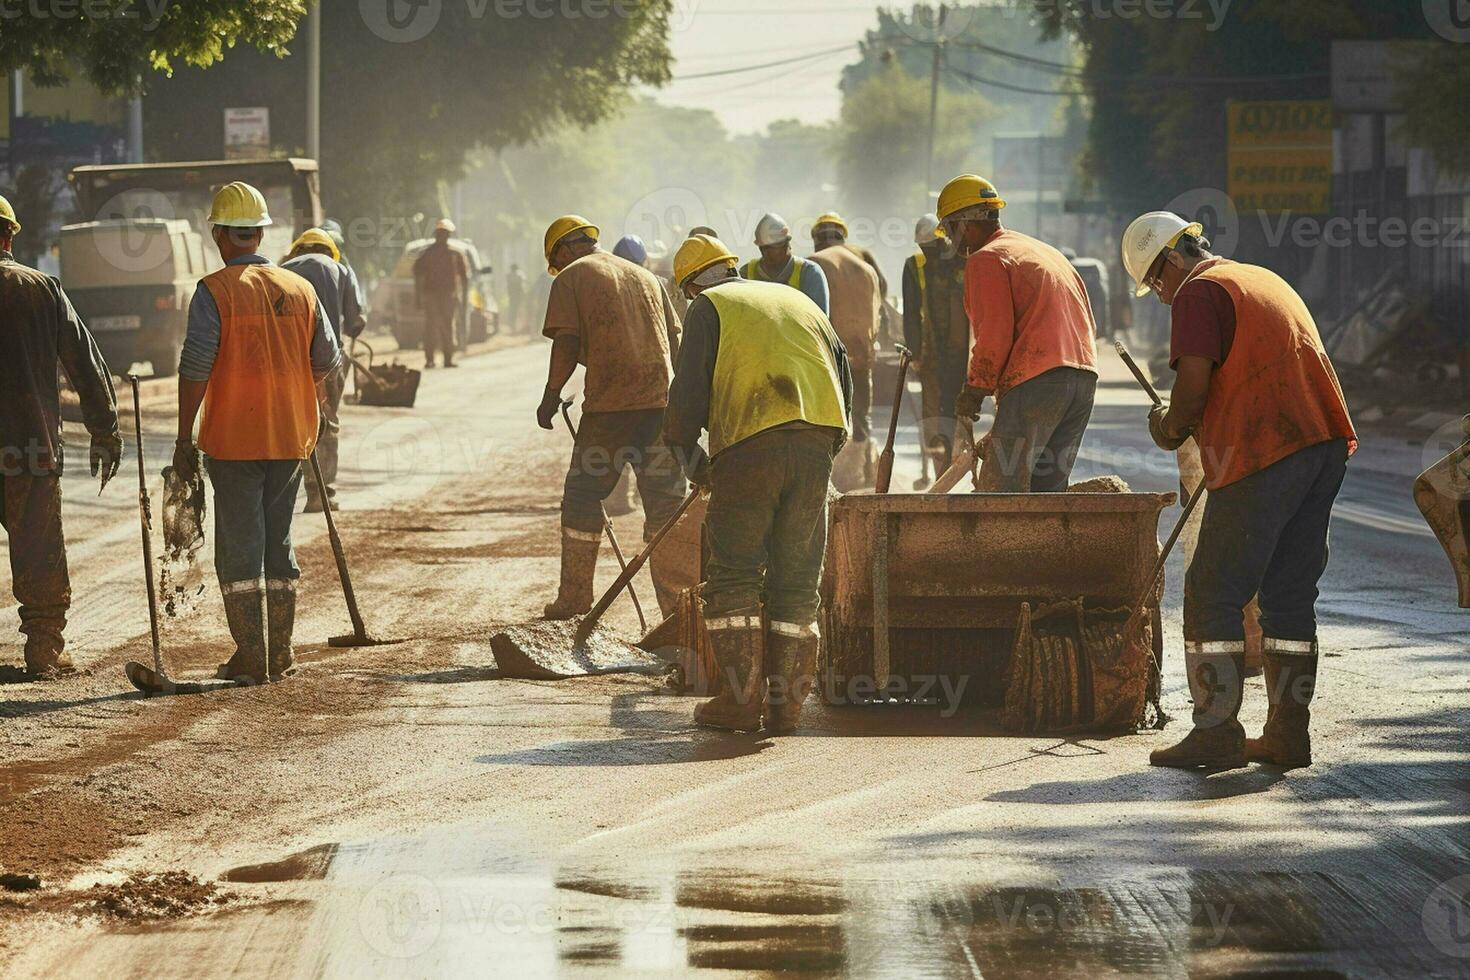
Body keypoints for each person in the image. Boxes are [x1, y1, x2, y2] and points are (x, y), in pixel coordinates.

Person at [1122, 211, 1357, 771]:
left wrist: (1168, 426)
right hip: (1321, 445)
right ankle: (1286, 736)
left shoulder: (1199, 293)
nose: (1159, 297)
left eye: (1157, 281)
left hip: (1267, 448)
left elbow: (1194, 386)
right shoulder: (1259, 277)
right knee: (1289, 596)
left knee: (1211, 589)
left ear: (1175, 259)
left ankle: (1217, 732)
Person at [663, 235, 852, 733]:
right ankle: (786, 708)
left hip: (750, 442)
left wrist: (691, 456)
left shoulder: (708, 307)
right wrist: (822, 451)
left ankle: (740, 701)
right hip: (817, 441)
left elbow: (686, 397)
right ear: (731, 267)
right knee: (796, 577)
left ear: (691, 285)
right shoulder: (799, 300)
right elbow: (843, 380)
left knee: (734, 575)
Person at [174, 182, 341, 684]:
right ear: (261, 233)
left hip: (233, 439)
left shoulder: (214, 291)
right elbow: (326, 360)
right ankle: (279, 651)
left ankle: (253, 654)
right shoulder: (300, 288)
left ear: (220, 234)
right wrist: (304, 404)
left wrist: (185, 435)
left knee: (241, 544)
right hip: (290, 437)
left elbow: (196, 366)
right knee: (279, 539)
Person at [538, 215, 688, 618]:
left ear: (564, 251)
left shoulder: (570, 278)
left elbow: (566, 345)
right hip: (661, 406)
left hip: (610, 410)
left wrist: (550, 396)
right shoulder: (646, 277)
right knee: (666, 506)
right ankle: (678, 610)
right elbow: (673, 344)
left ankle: (573, 600)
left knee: (583, 496)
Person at [0, 194, 121, 679]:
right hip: (30, 450)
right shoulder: (41, 288)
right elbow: (84, 364)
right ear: (10, 235)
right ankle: (44, 651)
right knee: (38, 548)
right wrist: (104, 430)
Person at [939, 174, 1099, 492]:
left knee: (1002, 492)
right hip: (1082, 381)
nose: (949, 242)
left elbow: (994, 339)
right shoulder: (1043, 252)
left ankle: (1002, 545)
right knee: (1047, 490)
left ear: (964, 224)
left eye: (948, 230)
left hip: (1039, 378)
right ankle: (1047, 543)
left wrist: (973, 392)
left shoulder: (986, 259)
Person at [283, 228, 363, 513]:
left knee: (292, 423)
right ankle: (322, 493)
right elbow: (356, 320)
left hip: (287, 361)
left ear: (298, 249)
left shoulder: (281, 270)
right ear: (330, 250)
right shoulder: (341, 269)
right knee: (326, 423)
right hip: (328, 361)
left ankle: (286, 493)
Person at [808, 216, 881, 487]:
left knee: (830, 414)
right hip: (863, 352)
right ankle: (865, 472)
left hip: (829, 355)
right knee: (861, 412)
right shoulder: (864, 264)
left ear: (818, 237)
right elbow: (879, 301)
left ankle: (836, 477)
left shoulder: (814, 264)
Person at [901, 214, 969, 472]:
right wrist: (915, 353)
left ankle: (959, 463)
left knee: (958, 409)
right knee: (934, 411)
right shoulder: (914, 266)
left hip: (960, 355)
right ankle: (940, 468)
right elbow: (911, 313)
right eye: (925, 247)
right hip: (932, 354)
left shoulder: (964, 262)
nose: (930, 252)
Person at [740, 213, 829, 314]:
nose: (767, 252)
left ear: (787, 243)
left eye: (772, 247)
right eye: (764, 248)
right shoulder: (746, 273)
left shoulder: (809, 273)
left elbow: (819, 320)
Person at [414, 218, 467, 369]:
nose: (442, 236)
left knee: (444, 326)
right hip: (434, 295)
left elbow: (464, 278)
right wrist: (418, 298)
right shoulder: (429, 254)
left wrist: (462, 298)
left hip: (447, 296)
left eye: (444, 233)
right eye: (441, 233)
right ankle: (433, 359)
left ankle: (445, 359)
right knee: (435, 327)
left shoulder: (454, 254)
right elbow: (418, 276)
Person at [507, 263, 527, 334]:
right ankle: (519, 327)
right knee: (520, 311)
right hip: (519, 296)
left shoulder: (509, 275)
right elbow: (522, 287)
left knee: (513, 311)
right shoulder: (520, 275)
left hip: (512, 296)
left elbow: (508, 287)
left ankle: (513, 327)